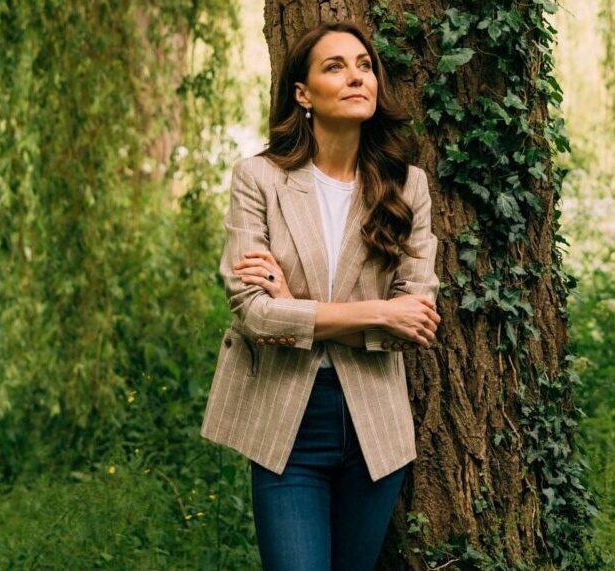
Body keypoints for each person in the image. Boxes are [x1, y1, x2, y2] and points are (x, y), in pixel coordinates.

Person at [198, 20, 441, 571]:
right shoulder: (257, 179)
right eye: (335, 66)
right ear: (302, 95)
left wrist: (296, 307)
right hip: (287, 424)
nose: (356, 77)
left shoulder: (407, 187)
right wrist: (381, 312)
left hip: (373, 427)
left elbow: (419, 320)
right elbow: (256, 315)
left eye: (364, 66)